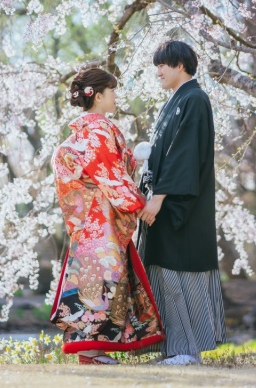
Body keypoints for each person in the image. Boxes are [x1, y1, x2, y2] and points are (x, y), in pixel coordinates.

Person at [50, 68, 164, 365]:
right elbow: (109, 173)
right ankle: (91, 351)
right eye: (112, 91)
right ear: (98, 96)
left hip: (90, 220)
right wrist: (139, 204)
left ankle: (93, 351)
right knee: (102, 281)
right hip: (100, 220)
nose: (116, 96)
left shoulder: (84, 131)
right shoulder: (98, 130)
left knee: (94, 280)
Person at [137, 40, 226, 365]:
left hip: (181, 206)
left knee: (181, 275)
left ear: (180, 65)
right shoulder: (175, 101)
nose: (158, 71)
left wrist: (159, 197)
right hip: (164, 203)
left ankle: (189, 350)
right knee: (164, 275)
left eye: (163, 65)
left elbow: (184, 155)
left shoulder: (194, 99)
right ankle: (174, 349)